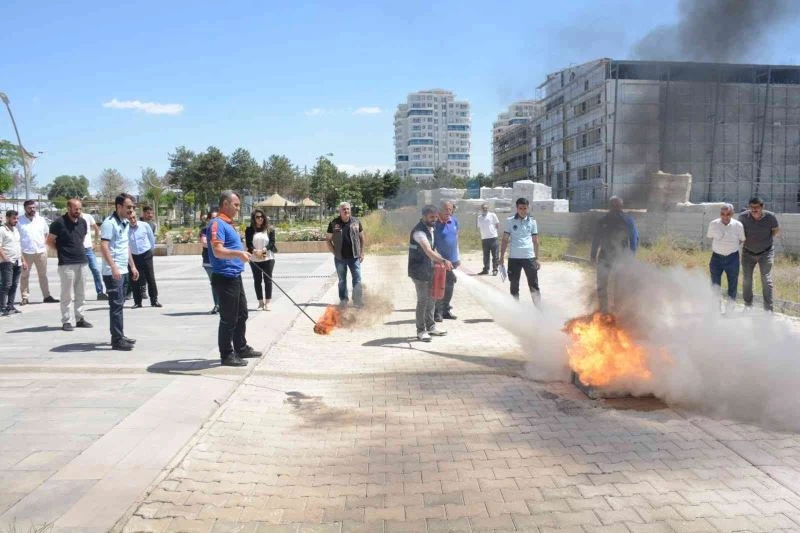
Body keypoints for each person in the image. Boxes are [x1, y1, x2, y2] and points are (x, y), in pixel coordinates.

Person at [208, 190, 260, 367]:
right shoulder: (217, 224)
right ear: (225, 204)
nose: (238, 208)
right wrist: (238, 254)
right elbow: (217, 250)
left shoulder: (228, 224)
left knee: (242, 314)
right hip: (224, 277)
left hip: (235, 276)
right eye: (235, 204)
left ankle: (241, 347)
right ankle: (227, 354)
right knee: (228, 318)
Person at [99, 194, 139, 351]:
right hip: (112, 271)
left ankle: (119, 335)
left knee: (120, 304)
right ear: (119, 207)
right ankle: (117, 339)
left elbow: (125, 246)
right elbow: (103, 246)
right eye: (128, 207)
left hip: (123, 269)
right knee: (116, 305)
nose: (131, 210)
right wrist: (113, 267)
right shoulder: (109, 224)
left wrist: (133, 266)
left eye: (133, 207)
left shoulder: (125, 223)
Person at [408, 205, 453, 342]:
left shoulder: (431, 229)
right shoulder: (418, 232)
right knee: (423, 300)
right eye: (431, 217)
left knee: (432, 297)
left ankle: (431, 327)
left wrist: (443, 260)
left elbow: (433, 250)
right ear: (423, 216)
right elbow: (428, 251)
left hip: (430, 268)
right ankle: (421, 331)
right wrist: (443, 260)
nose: (434, 220)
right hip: (418, 271)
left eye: (435, 217)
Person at [47, 199, 92, 331]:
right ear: (68, 208)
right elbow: (49, 241)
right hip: (66, 263)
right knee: (67, 294)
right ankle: (66, 320)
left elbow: (81, 239)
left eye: (79, 209)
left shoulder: (83, 222)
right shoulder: (58, 223)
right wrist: (61, 251)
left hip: (82, 261)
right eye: (75, 209)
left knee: (81, 293)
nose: (78, 211)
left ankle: (80, 318)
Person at [590, 196, 639, 313]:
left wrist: (630, 256)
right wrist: (593, 255)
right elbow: (634, 240)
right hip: (607, 257)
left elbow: (633, 239)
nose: (615, 208)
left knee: (616, 285)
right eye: (614, 206)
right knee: (605, 284)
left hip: (619, 257)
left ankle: (612, 310)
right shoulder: (604, 221)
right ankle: (605, 311)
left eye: (616, 206)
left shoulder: (626, 221)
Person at [739, 197, 780, 312]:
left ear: (762, 207)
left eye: (756, 207)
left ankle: (768, 308)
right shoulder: (742, 217)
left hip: (766, 252)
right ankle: (748, 305)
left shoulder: (770, 217)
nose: (753, 210)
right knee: (747, 279)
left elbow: (775, 231)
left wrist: (765, 240)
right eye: (751, 207)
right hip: (747, 252)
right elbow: (739, 233)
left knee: (766, 279)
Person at [707, 203, 745, 314]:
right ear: (720, 214)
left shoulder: (738, 225)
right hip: (716, 258)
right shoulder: (713, 224)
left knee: (732, 284)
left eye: (728, 214)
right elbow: (710, 237)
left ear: (732, 214)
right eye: (722, 214)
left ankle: (730, 310)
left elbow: (742, 239)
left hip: (732, 258)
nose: (725, 216)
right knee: (715, 284)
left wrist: (731, 247)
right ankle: (716, 309)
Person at [18, 200, 58, 305]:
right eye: (30, 208)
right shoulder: (19, 221)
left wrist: (44, 247)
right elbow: (16, 237)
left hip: (40, 252)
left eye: (34, 207)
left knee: (43, 275)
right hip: (26, 252)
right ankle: (25, 297)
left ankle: (46, 296)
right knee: (24, 275)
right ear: (25, 208)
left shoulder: (41, 220)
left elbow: (46, 234)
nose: (32, 210)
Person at [325, 201, 364, 307]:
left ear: (350, 210)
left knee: (357, 278)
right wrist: (334, 252)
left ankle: (357, 301)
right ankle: (343, 300)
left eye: (347, 209)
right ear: (340, 211)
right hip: (340, 258)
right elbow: (328, 239)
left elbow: (361, 237)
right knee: (342, 280)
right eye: (343, 209)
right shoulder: (334, 223)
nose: (346, 211)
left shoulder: (356, 221)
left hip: (354, 256)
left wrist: (361, 252)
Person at [245, 209, 277, 311]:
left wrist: (262, 252)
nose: (260, 219)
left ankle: (268, 302)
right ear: (254, 219)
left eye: (262, 216)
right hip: (254, 258)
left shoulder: (270, 229)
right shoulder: (249, 230)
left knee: (268, 280)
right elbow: (248, 244)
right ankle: (260, 302)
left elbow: (272, 243)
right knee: (257, 280)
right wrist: (255, 252)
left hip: (268, 257)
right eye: (257, 217)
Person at [433, 200, 460, 321]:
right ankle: (437, 312)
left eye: (450, 209)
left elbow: (455, 240)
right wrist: (440, 259)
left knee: (450, 284)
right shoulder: (435, 224)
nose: (448, 212)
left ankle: (446, 310)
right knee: (439, 285)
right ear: (439, 210)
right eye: (446, 209)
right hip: (439, 261)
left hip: (452, 260)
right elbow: (431, 244)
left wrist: (457, 257)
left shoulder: (454, 221)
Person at [128, 212, 160, 308]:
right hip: (133, 256)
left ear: (136, 217)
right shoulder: (125, 228)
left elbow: (151, 238)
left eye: (133, 217)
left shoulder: (144, 225)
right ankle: (138, 302)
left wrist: (151, 251)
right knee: (134, 278)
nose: (132, 220)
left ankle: (154, 300)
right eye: (130, 218)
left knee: (150, 277)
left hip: (146, 253)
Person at [0, 210, 27, 317]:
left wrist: (23, 260)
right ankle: (2, 307)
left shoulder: (15, 230)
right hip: (7, 262)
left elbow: (18, 247)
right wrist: (5, 257)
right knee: (6, 285)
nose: (16, 220)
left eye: (17, 218)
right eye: (14, 218)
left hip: (17, 261)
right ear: (7, 218)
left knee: (14, 285)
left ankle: (10, 305)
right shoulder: (2, 230)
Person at [81, 211, 107, 300]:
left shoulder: (88, 216)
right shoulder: (70, 218)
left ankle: (100, 293)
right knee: (79, 273)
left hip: (88, 248)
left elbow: (96, 229)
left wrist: (95, 242)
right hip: (78, 249)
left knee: (95, 270)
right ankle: (79, 294)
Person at [200, 210, 219, 314]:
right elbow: (204, 243)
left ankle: (224, 305)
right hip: (209, 261)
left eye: (217, 218)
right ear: (208, 220)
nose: (215, 220)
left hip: (221, 260)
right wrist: (218, 245)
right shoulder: (204, 230)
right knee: (214, 283)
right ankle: (217, 305)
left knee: (223, 283)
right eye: (213, 218)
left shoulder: (222, 229)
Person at [477, 203, 500, 276]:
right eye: (483, 208)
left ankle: (495, 270)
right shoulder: (479, 217)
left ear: (488, 208)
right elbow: (479, 227)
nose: (485, 209)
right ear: (481, 209)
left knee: (495, 255)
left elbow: (497, 225)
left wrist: (493, 232)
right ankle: (486, 269)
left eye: (486, 208)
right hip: (484, 239)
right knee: (486, 256)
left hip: (493, 238)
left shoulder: (492, 215)